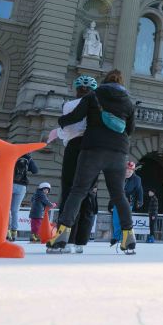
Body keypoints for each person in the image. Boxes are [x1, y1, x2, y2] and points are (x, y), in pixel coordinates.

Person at [47, 69, 137, 254]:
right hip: (118, 153)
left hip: (93, 150)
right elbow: (130, 130)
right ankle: (128, 236)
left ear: (104, 81)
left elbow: (76, 117)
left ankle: (63, 233)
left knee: (78, 191)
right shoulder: (128, 102)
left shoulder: (93, 95)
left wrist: (60, 120)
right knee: (119, 195)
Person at [51, 75, 99, 250]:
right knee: (88, 193)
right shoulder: (98, 105)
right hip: (93, 148)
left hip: (74, 147)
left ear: (77, 89)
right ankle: (81, 242)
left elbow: (65, 130)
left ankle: (65, 238)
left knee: (70, 191)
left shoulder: (69, 105)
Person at [109, 161, 143, 246]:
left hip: (128, 203)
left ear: (133, 171)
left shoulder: (137, 179)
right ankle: (116, 237)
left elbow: (139, 190)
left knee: (126, 221)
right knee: (116, 221)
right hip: (117, 202)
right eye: (126, 171)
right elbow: (114, 191)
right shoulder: (119, 177)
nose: (128, 173)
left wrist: (140, 200)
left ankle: (126, 239)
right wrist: (111, 203)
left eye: (130, 171)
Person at [8, 150, 38, 241]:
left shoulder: (13, 155)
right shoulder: (28, 158)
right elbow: (35, 171)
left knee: (7, 209)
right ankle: (14, 232)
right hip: (22, 186)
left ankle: (6, 230)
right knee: (15, 210)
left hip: (10, 184)